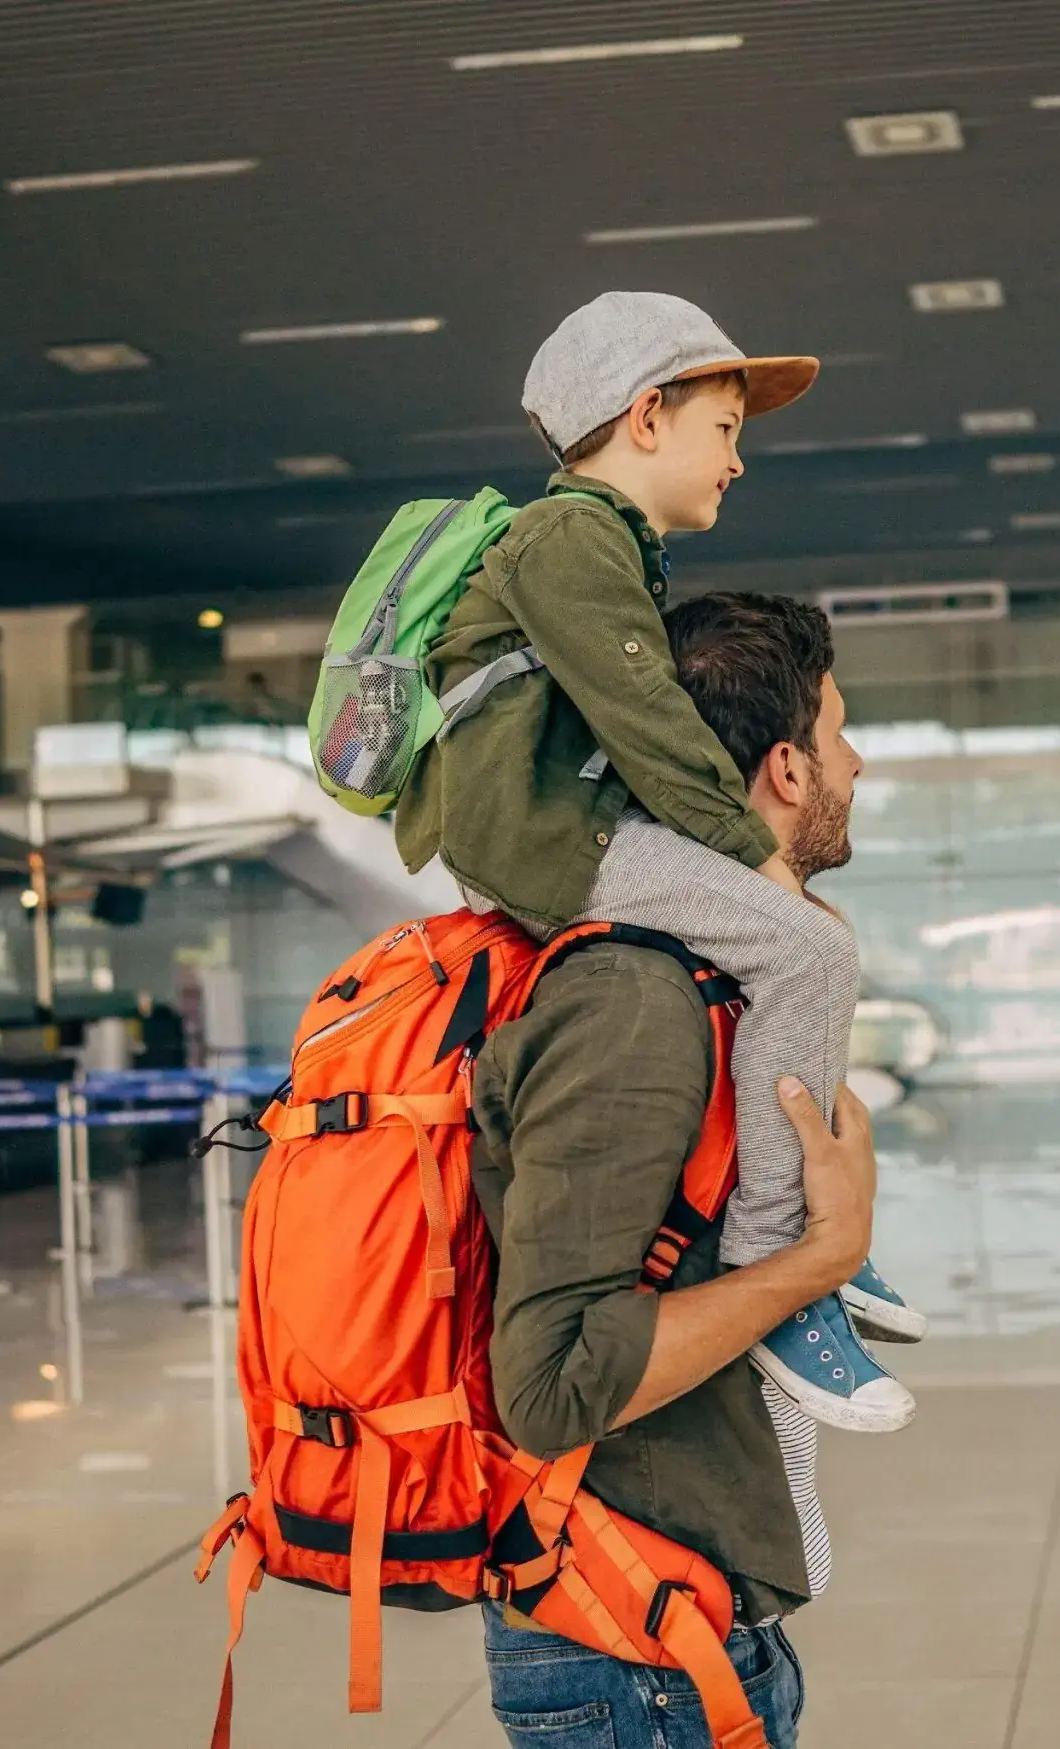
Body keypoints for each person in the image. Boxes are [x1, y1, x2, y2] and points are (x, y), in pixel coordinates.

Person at [395, 291, 923, 1438]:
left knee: (791, 951)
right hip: (544, 843)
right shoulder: (571, 537)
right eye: (724, 429)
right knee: (805, 945)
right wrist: (751, 859)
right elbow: (644, 715)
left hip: (551, 829)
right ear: (646, 417)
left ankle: (797, 1257)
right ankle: (784, 1274)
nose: (737, 462)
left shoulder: (599, 545)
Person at [468, 593, 876, 1747]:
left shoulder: (713, 981)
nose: (859, 760)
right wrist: (818, 1262)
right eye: (843, 734)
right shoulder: (633, 1003)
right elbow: (546, 1392)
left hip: (680, 1628)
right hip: (629, 1651)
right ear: (787, 771)